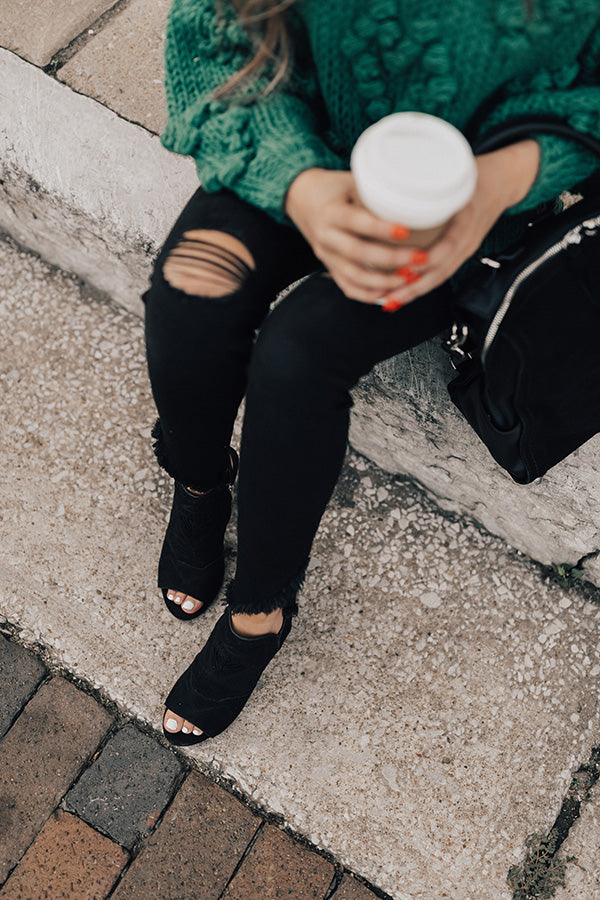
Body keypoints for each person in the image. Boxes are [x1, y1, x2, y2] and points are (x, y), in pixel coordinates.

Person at [143, 0, 600, 745]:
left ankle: (260, 615)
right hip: (306, 136)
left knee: (297, 355)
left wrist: (497, 184)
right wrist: (300, 181)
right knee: (191, 300)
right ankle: (199, 485)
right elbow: (213, 30)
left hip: (475, 209)